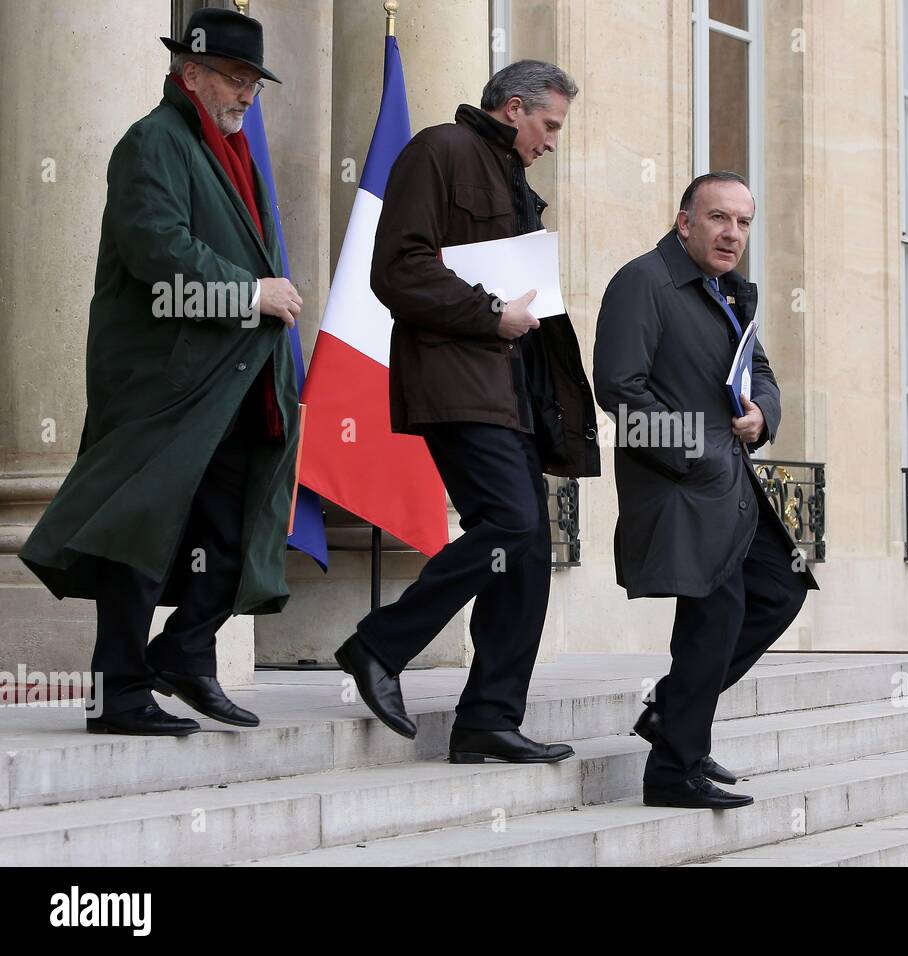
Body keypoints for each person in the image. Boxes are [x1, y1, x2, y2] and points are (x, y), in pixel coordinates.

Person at [20, 8, 302, 736]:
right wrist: (251, 294)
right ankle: (116, 695)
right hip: (165, 381)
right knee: (139, 534)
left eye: (254, 83)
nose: (246, 95)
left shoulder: (228, 148)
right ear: (191, 74)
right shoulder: (153, 141)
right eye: (235, 79)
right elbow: (158, 252)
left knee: (232, 528)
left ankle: (184, 653)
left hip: (233, 377)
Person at [335, 60, 601, 763]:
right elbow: (395, 268)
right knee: (510, 526)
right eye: (549, 125)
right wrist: (488, 314)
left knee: (527, 554)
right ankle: (377, 645)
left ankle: (488, 718)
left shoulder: (518, 184)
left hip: (510, 393)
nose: (552, 142)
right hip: (457, 382)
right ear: (515, 108)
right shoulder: (439, 151)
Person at [593, 172, 818, 808]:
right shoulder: (643, 282)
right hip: (682, 486)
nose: (733, 234)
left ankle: (670, 713)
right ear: (685, 222)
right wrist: (702, 453)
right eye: (719, 218)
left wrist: (761, 417)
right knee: (712, 616)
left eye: (744, 223)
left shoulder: (724, 292)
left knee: (779, 591)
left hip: (729, 485)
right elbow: (620, 392)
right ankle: (672, 772)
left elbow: (762, 372)